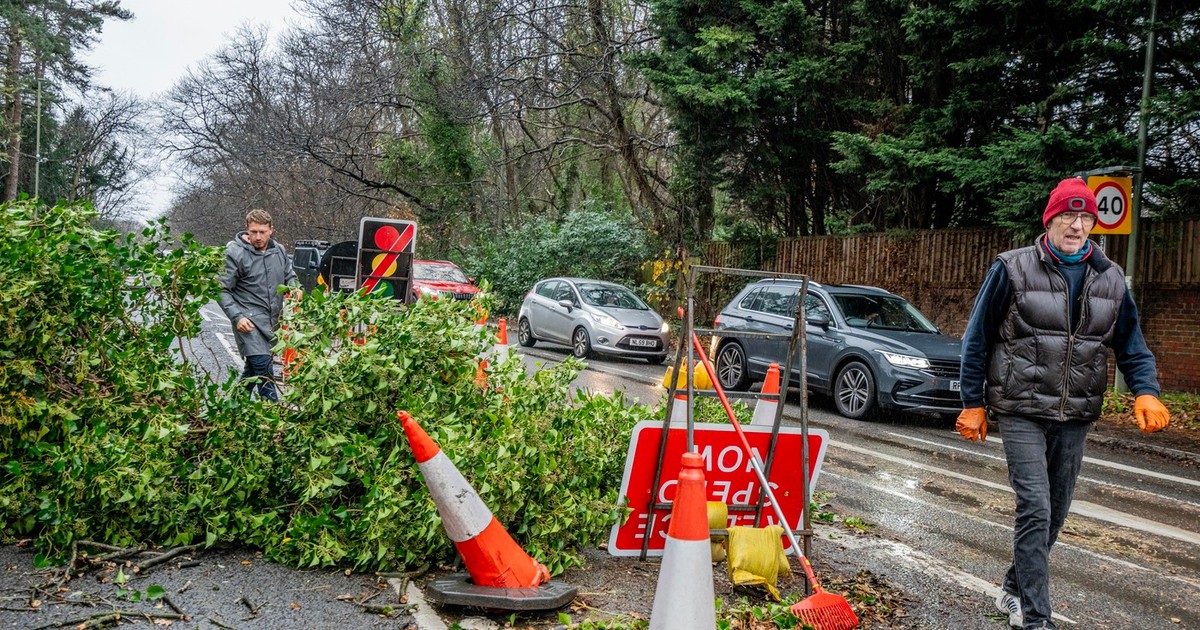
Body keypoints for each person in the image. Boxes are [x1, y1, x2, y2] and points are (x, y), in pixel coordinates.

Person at [956, 178, 1171, 629]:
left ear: (1094, 223)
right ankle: (1036, 618)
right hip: (1020, 406)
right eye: (1067, 216)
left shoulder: (1110, 277)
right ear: (1049, 220)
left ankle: (1014, 589)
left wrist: (1146, 390)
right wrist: (971, 400)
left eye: (1086, 217)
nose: (1076, 225)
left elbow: (1131, 343)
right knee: (1034, 506)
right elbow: (977, 338)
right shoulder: (1012, 269)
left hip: (1076, 412)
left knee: (1055, 512)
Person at [218, 209, 301, 401]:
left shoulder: (278, 250)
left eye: (262, 232)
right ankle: (273, 417)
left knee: (252, 372)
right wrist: (237, 317)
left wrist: (295, 287)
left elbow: (289, 275)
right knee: (264, 370)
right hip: (248, 324)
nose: (257, 237)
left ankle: (232, 408)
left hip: (272, 323)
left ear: (271, 230)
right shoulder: (234, 253)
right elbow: (221, 290)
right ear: (247, 229)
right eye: (253, 232)